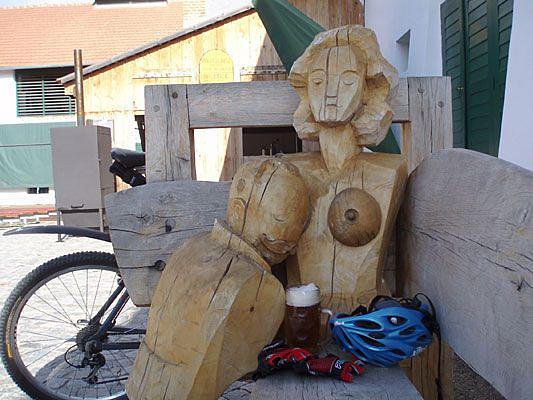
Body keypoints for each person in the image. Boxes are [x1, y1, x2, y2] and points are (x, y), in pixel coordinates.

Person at [126, 158, 310, 400]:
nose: (294, 247)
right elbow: (244, 362)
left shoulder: (192, 244)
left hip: (141, 383)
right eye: (292, 222)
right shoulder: (262, 286)